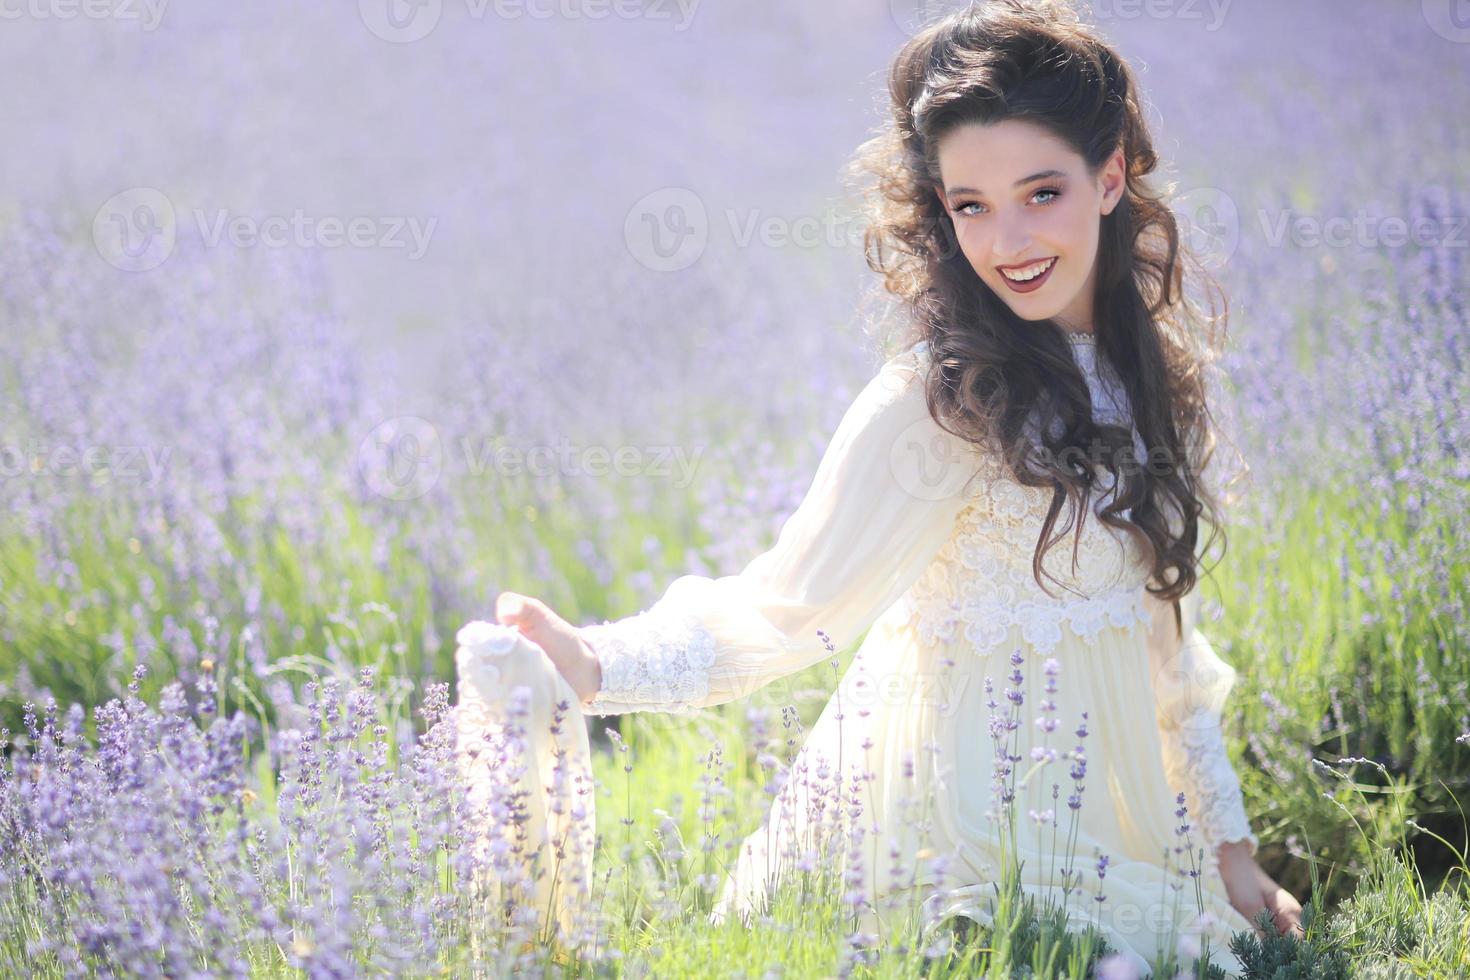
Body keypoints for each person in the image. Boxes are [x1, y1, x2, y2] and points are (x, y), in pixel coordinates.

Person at [459, 1, 1305, 973]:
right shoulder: (945, 403)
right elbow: (785, 608)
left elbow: (1167, 649)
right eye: (971, 204)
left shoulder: (1148, 373)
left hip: (1111, 829)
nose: (1009, 240)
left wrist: (1233, 858)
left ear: (1110, 176)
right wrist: (592, 661)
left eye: (1041, 192)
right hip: (957, 845)